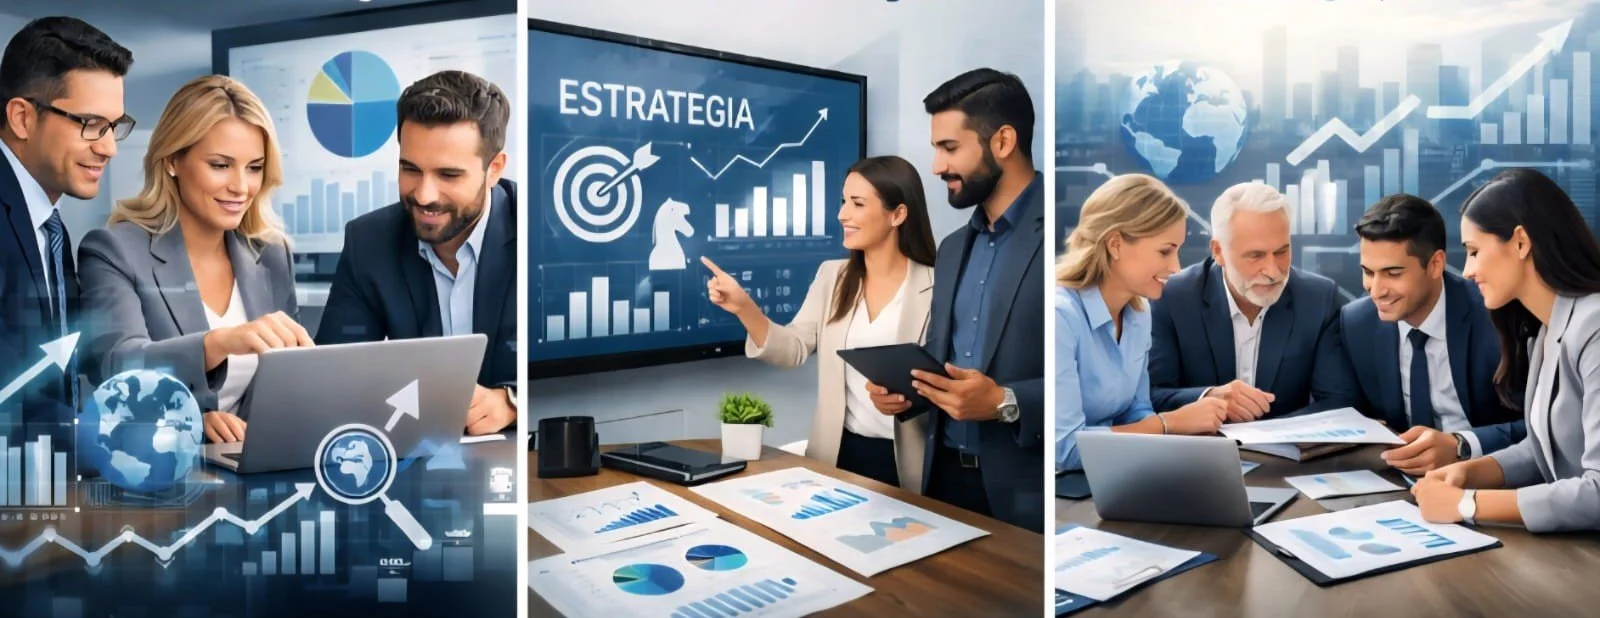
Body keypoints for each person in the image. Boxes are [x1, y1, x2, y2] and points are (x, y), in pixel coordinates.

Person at [78, 75, 310, 445]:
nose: (241, 186)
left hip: (262, 461)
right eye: (220, 165)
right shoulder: (113, 250)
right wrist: (218, 349)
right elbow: (118, 368)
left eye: (254, 167)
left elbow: (291, 380)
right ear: (172, 160)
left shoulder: (270, 253)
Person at [868, 68, 1044, 533]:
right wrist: (907, 397)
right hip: (942, 484)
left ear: (1003, 142)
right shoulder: (951, 248)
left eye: (949, 148)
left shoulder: (1071, 235)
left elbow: (1099, 380)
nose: (936, 167)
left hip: (1029, 493)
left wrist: (1007, 401)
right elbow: (950, 363)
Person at [704, 155, 937, 491]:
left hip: (910, 463)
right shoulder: (833, 276)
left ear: (898, 214)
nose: (843, 214)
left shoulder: (939, 283)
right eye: (844, 201)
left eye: (857, 203)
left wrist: (911, 400)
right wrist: (744, 308)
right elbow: (794, 349)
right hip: (839, 456)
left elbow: (950, 378)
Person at [316, 70, 517, 436]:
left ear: (494, 170)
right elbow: (330, 380)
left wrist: (513, 401)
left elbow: (588, 367)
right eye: (410, 169)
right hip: (413, 457)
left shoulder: (538, 230)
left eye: (449, 175)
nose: (424, 195)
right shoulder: (368, 242)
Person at [1413, 168, 1600, 532]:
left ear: (1520, 242)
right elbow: (1545, 449)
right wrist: (1466, 472)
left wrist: (1467, 504)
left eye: (1473, 251)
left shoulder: (1593, 327)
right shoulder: (1545, 331)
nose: (1466, 271)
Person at [0, 17, 131, 433]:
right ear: (22, 118)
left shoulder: (50, 227)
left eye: (114, 127)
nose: (108, 147)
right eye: (91, 124)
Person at [1334, 194, 1525, 475]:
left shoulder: (1497, 316)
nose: (1376, 290)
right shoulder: (1356, 323)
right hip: (1398, 484)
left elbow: (1542, 427)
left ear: (1435, 264)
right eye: (1368, 272)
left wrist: (1461, 445)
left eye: (1393, 273)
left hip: (1491, 477)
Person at [1055, 174, 1229, 472]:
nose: (1175, 267)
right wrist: (1171, 424)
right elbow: (1066, 448)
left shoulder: (1139, 313)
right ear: (1115, 244)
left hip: (1120, 472)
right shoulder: (1061, 317)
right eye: (1165, 251)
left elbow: (1136, 413)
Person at [1148, 182, 1356, 420]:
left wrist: (1267, 436)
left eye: (1281, 252)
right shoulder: (1174, 297)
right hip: (1199, 450)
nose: (1273, 271)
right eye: (1255, 256)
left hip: (1284, 452)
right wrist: (1208, 397)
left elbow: (1337, 401)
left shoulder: (1318, 298)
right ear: (1218, 251)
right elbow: (1151, 396)